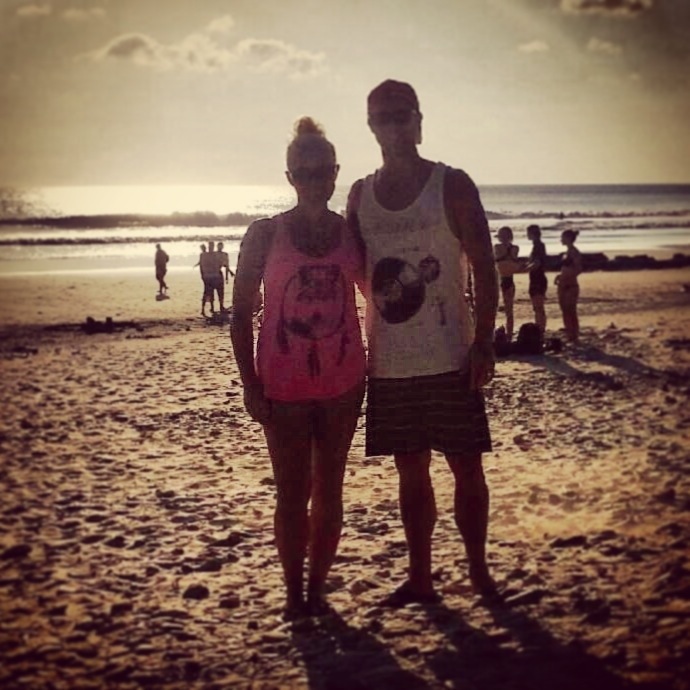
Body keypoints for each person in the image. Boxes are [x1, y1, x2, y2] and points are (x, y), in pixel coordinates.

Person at [347, 79, 499, 603]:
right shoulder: (360, 195)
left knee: (467, 467)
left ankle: (478, 572)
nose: (393, 125)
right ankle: (420, 578)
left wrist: (484, 341)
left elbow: (484, 265)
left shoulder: (451, 184)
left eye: (402, 115)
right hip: (391, 362)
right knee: (409, 473)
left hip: (452, 355)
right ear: (371, 126)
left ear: (418, 120)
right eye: (382, 117)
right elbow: (354, 269)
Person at [230, 117, 366, 619]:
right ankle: (293, 595)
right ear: (289, 176)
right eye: (303, 172)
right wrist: (250, 384)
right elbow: (239, 314)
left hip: (344, 383)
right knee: (292, 493)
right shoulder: (264, 235)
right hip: (281, 386)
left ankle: (317, 589)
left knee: (330, 490)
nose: (313, 180)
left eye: (322, 171)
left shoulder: (352, 235)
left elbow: (381, 296)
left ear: (335, 174)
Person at [555, 229, 582, 344]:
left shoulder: (574, 252)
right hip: (563, 284)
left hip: (570, 285)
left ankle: (573, 335)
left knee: (570, 310)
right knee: (565, 310)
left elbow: (578, 269)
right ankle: (570, 333)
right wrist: (560, 276)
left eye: (563, 237)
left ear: (569, 239)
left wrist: (567, 277)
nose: (561, 240)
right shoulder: (567, 252)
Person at [493, 226, 520, 341]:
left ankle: (508, 334)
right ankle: (508, 333)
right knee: (508, 310)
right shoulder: (514, 248)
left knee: (507, 309)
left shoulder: (498, 247)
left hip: (505, 279)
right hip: (505, 279)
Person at [525, 224, 548, 335]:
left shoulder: (539, 246)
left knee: (538, 307)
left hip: (538, 279)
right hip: (536, 278)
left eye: (528, 233)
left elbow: (537, 263)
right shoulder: (536, 246)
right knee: (537, 307)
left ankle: (541, 329)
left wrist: (524, 269)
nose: (527, 235)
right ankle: (540, 328)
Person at [216, 241, 235, 312]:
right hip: (215, 272)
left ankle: (221, 305)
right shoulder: (215, 254)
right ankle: (215, 306)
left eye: (221, 246)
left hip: (218, 273)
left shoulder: (224, 254)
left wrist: (227, 277)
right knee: (215, 290)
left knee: (221, 290)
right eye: (219, 246)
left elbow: (226, 266)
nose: (220, 247)